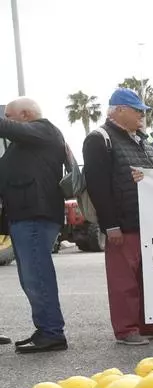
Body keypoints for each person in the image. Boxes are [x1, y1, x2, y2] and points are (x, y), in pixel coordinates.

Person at [83, 89, 153, 346]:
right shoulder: (99, 139)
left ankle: (151, 323)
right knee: (123, 281)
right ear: (119, 110)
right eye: (137, 110)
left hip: (147, 221)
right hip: (123, 225)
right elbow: (98, 187)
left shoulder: (139, 139)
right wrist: (111, 225)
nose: (142, 115)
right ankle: (126, 329)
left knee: (149, 278)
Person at [0, 97, 69, 353]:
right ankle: (46, 330)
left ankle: (51, 332)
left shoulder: (44, 130)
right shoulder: (27, 143)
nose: (6, 121)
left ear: (26, 115)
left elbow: (7, 129)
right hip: (25, 215)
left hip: (34, 216)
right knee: (32, 277)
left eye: (9, 116)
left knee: (37, 275)